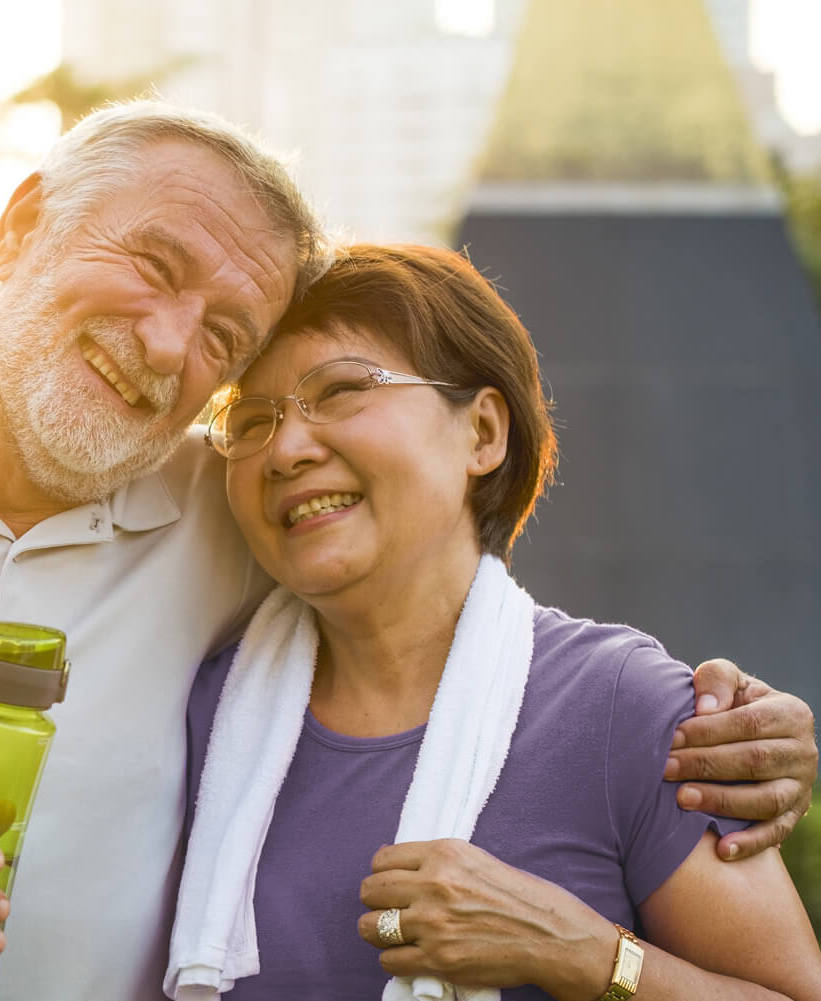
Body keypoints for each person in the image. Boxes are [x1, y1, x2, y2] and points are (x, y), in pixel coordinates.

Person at [0, 104, 814, 1001]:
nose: (165, 344)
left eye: (225, 337)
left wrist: (735, 723)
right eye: (150, 262)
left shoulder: (226, 505)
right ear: (20, 229)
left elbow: (454, 615)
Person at [170, 243, 821, 1001]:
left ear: (482, 432)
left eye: (342, 389)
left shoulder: (622, 706)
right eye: (251, 419)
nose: (283, 448)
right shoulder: (198, 716)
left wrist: (585, 954)